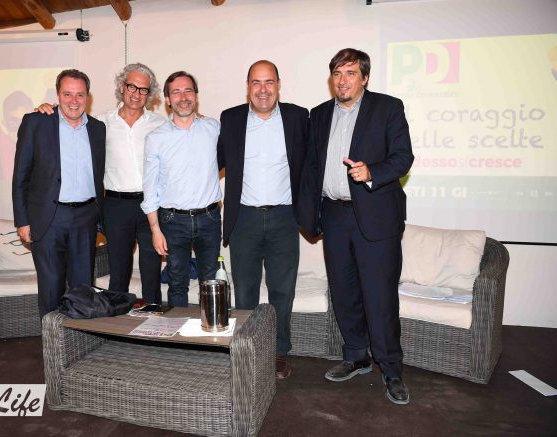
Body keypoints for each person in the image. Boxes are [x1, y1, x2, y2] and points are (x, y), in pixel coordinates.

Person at [300, 48, 414, 404]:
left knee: (379, 297)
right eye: (337, 73)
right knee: (344, 293)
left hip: (376, 216)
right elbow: (311, 166)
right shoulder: (318, 114)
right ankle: (356, 356)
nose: (342, 80)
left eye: (350, 73)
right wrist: (309, 214)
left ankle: (391, 370)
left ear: (364, 78)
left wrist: (372, 172)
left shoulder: (388, 108)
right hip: (334, 216)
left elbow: (403, 157)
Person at [37, 63, 165, 304]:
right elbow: (70, 116)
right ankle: (116, 319)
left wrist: (196, 117)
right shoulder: (99, 123)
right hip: (115, 206)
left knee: (151, 270)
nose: (136, 94)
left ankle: (154, 318)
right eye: (131, 86)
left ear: (150, 94)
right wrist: (48, 109)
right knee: (118, 272)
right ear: (121, 87)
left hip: (151, 205)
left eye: (143, 89)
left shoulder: (160, 124)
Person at [217, 60, 310, 380]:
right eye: (256, 82)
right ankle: (247, 351)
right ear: (248, 86)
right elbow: (211, 159)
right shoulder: (231, 119)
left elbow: (312, 162)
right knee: (245, 292)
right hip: (244, 219)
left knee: (283, 290)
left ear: (278, 85)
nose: (263, 89)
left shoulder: (298, 117)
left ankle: (278, 351)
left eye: (269, 82)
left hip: (285, 217)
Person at [12, 69, 106, 318]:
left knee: (83, 290)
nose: (74, 101)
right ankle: (52, 341)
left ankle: (79, 339)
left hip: (86, 219)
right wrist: (22, 221)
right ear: (57, 95)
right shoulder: (36, 122)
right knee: (51, 289)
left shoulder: (98, 129)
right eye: (67, 94)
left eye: (80, 95)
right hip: (49, 219)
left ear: (87, 97)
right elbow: (20, 176)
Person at [141, 71, 222, 307]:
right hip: (172, 221)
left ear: (196, 96)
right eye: (176, 92)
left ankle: (209, 329)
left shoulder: (213, 128)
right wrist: (155, 229)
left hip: (209, 219)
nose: (183, 97)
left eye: (188, 91)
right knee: (177, 283)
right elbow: (149, 187)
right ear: (167, 99)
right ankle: (179, 331)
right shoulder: (156, 138)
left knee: (211, 282)